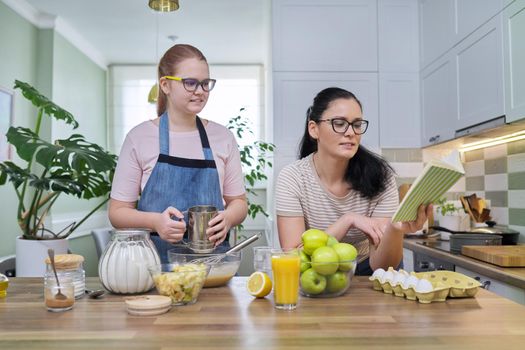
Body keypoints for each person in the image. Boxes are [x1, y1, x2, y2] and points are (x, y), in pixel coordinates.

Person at [109, 44, 248, 262]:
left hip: (213, 269)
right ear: (165, 85)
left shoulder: (223, 138)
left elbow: (238, 202)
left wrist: (228, 218)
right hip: (153, 269)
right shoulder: (139, 137)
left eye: (205, 83)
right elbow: (117, 212)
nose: (200, 91)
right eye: (190, 83)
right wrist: (156, 222)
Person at [275, 87, 431, 275]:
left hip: (369, 271)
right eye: (339, 123)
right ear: (314, 129)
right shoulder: (292, 178)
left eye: (356, 124)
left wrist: (395, 229)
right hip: (317, 271)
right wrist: (348, 220)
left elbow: (383, 266)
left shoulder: (381, 176)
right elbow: (294, 256)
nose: (351, 132)